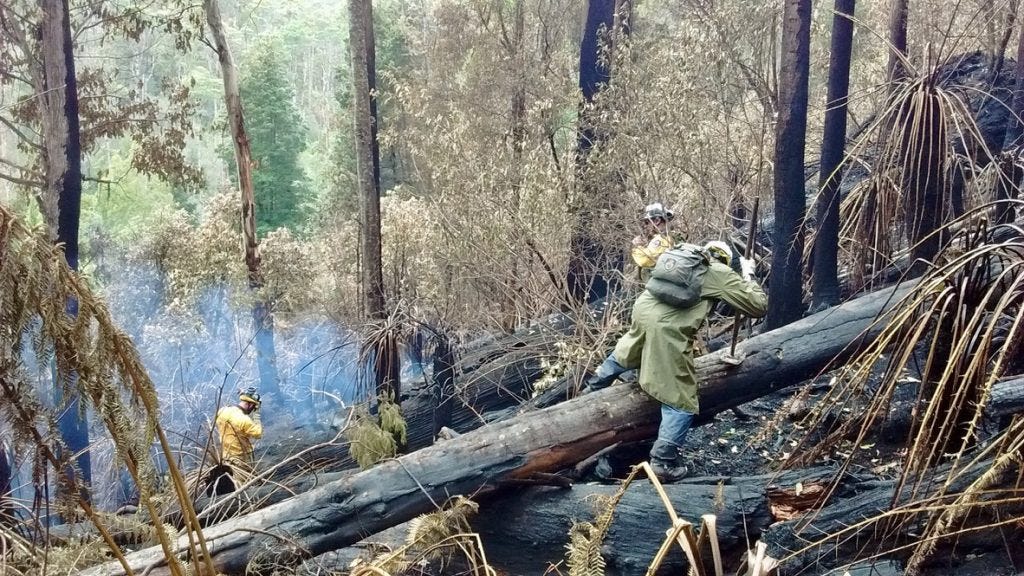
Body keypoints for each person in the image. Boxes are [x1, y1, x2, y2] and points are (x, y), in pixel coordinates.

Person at [593, 241, 767, 482]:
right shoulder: (719, 272)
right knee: (681, 402)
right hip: (666, 330)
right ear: (726, 260)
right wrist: (748, 274)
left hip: (642, 312)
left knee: (629, 349)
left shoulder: (682, 258)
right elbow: (758, 306)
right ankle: (663, 462)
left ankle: (591, 388)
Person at [215, 387, 263, 486]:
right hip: (241, 458)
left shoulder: (222, 411)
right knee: (243, 483)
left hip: (225, 456)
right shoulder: (244, 420)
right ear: (250, 404)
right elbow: (258, 434)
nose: (253, 410)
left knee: (232, 481)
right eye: (253, 407)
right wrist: (257, 415)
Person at [630, 202, 677, 282]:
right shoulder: (672, 235)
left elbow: (645, 260)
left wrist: (637, 247)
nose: (645, 226)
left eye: (647, 222)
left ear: (657, 221)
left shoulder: (662, 238)